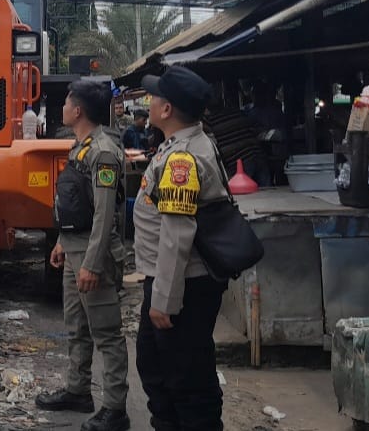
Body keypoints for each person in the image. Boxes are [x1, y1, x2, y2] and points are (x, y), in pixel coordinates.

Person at [133, 66, 229, 431]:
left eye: (154, 96)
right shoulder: (179, 146)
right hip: (172, 279)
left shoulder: (181, 160)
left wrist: (165, 300)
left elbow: (176, 233)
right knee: (157, 368)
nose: (149, 101)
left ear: (167, 110)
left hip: (181, 283)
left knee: (187, 381)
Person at [36, 80, 130, 431]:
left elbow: (106, 215)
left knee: (106, 333)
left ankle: (116, 409)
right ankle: (78, 390)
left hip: (94, 256)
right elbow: (78, 205)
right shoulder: (81, 146)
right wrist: (62, 241)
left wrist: (92, 263)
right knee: (76, 327)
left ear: (78, 111)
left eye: (67, 103)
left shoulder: (103, 151)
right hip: (74, 250)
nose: (62, 109)